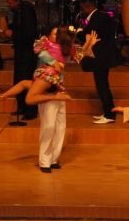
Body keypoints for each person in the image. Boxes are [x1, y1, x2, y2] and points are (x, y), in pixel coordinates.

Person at [25, 26, 98, 173]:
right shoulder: (45, 44)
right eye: (53, 33)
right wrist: (53, 62)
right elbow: (41, 53)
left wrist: (89, 44)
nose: (55, 36)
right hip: (47, 88)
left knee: (60, 126)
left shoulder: (65, 48)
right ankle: (44, 161)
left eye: (57, 34)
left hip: (59, 88)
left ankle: (54, 159)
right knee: (49, 126)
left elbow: (78, 56)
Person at [78, 0, 117, 124]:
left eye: (82, 7)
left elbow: (89, 36)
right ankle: (107, 112)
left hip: (101, 58)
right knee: (102, 85)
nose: (82, 11)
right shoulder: (100, 16)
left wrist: (79, 32)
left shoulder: (96, 19)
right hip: (102, 57)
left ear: (86, 6)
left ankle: (109, 115)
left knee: (102, 86)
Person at [3, 0, 38, 120]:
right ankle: (21, 107)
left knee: (26, 79)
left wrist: (12, 33)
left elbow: (28, 33)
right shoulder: (17, 11)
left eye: (10, 2)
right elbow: (18, 27)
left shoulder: (27, 11)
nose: (9, 5)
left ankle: (30, 110)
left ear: (17, 1)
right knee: (18, 79)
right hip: (20, 51)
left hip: (27, 52)